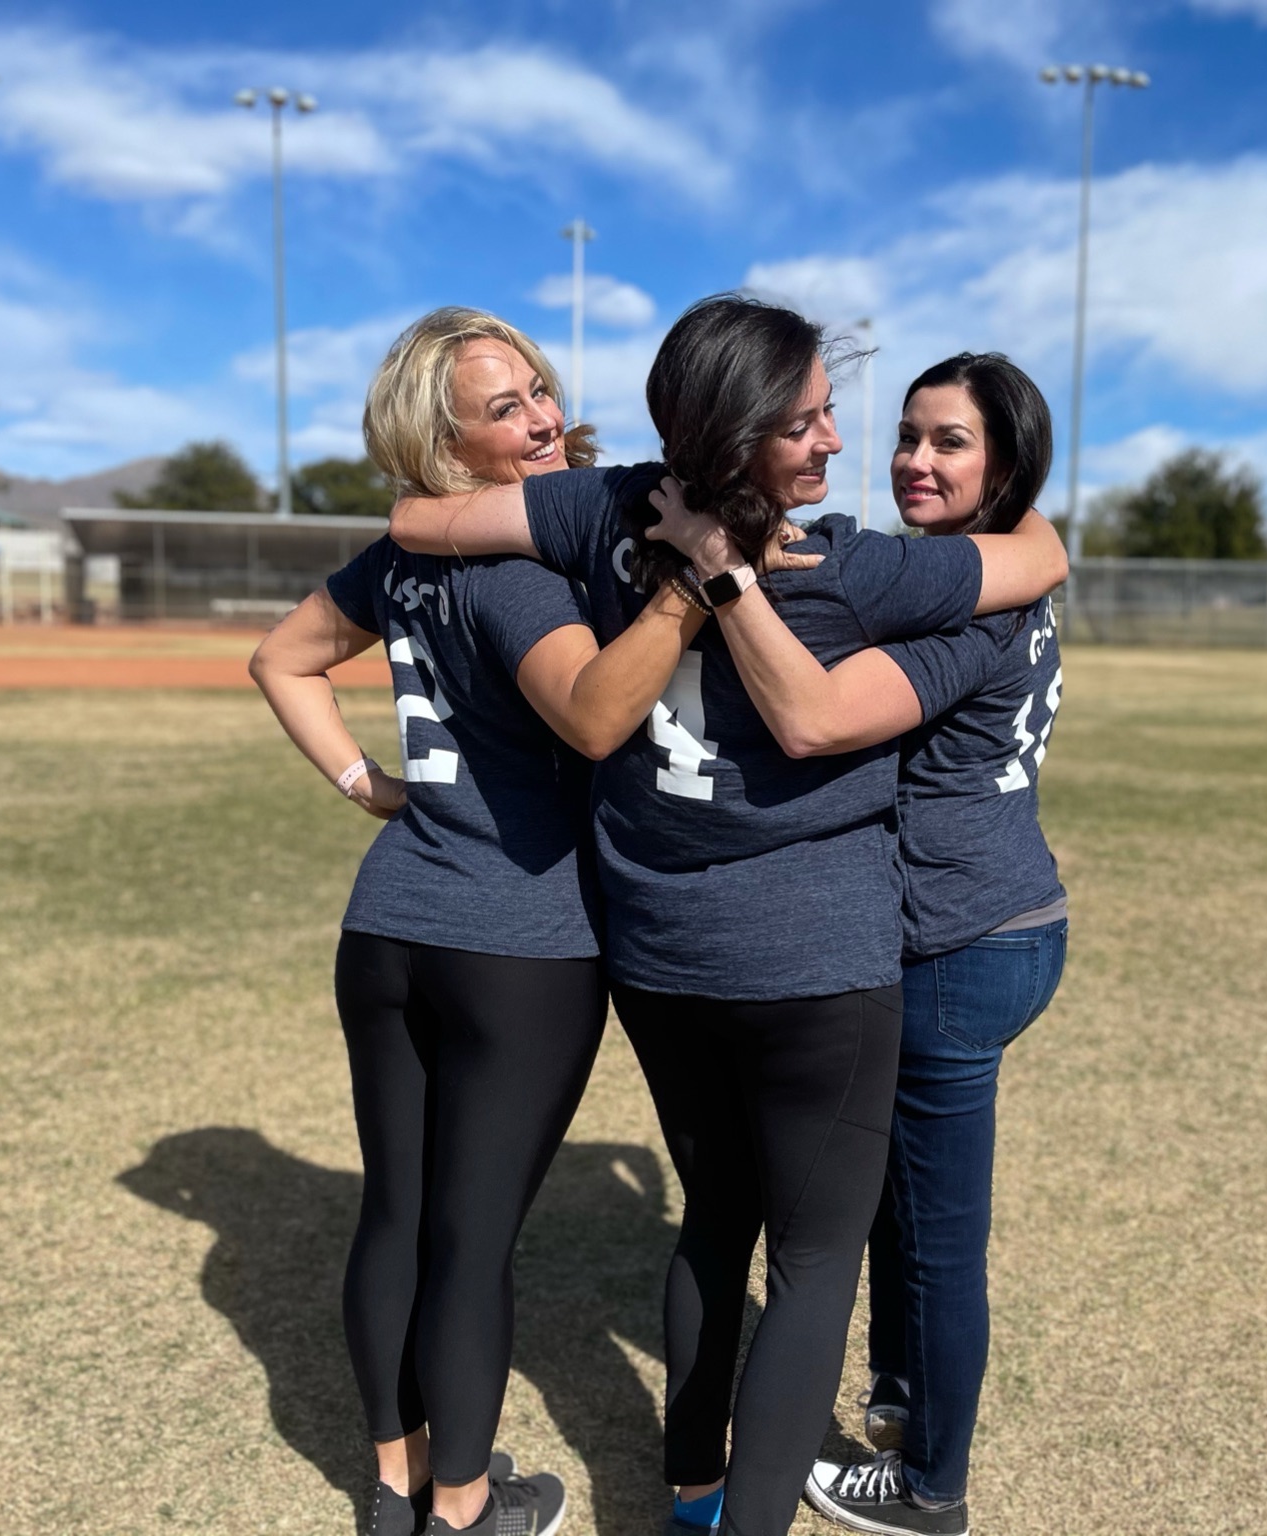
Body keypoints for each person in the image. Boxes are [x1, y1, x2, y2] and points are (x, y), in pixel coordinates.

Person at [384, 295, 1068, 1536]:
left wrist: (680, 526)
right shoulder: (862, 565)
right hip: (816, 956)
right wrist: (728, 559)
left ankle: (693, 1491)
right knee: (810, 1266)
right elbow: (1040, 559)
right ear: (742, 432)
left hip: (656, 950)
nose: (836, 447)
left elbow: (410, 517)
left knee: (712, 1223)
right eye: (807, 423)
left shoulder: (602, 505)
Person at [249, 307, 712, 1536]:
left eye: (542, 391)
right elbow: (594, 716)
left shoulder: (396, 560)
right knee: (467, 1242)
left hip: (388, 929)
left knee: (399, 1214)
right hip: (517, 947)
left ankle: (396, 1489)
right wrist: (690, 595)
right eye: (504, 408)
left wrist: (369, 790)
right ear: (437, 439)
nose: (544, 417)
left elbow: (282, 660)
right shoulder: (509, 573)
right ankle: (462, 1509)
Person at [643, 353, 1067, 1536]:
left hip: (956, 941)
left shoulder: (972, 601)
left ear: (1007, 462)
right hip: (989, 920)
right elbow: (1036, 547)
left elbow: (816, 717)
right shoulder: (984, 565)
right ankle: (893, 1397)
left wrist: (722, 573)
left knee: (931, 1238)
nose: (913, 460)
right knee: (874, 1199)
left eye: (950, 444)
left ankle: (930, 1486)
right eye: (909, 437)